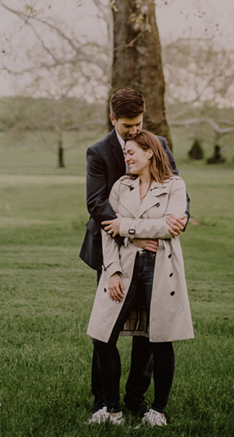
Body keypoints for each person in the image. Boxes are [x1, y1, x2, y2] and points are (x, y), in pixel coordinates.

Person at [80, 89, 188, 419]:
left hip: (154, 255)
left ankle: (136, 398)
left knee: (149, 331)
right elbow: (97, 204)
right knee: (106, 326)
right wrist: (132, 233)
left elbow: (175, 188)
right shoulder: (98, 152)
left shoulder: (158, 144)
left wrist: (179, 216)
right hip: (110, 246)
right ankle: (103, 400)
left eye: (139, 124)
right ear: (113, 119)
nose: (134, 131)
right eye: (128, 125)